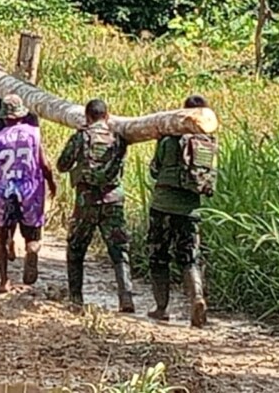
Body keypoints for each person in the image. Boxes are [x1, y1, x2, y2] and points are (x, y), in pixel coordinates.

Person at [147, 94, 217, 328]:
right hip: (191, 209)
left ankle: (161, 308)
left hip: (163, 207)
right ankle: (197, 298)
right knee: (190, 258)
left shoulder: (168, 140)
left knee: (159, 256)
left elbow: (155, 171)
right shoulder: (207, 142)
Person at [57, 99, 133, 312]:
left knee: (76, 247)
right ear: (107, 116)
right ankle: (126, 297)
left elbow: (62, 165)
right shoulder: (118, 139)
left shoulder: (82, 137)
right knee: (119, 250)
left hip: (86, 202)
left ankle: (76, 298)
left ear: (88, 116)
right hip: (113, 201)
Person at [0, 94, 56, 293]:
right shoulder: (33, 134)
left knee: (2, 237)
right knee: (32, 234)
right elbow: (45, 164)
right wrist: (52, 182)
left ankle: (4, 280)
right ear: (21, 115)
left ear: (5, 117)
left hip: (3, 191)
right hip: (30, 191)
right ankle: (31, 249)